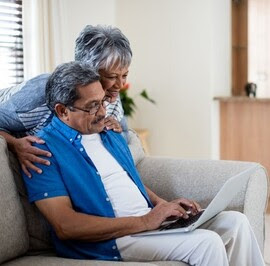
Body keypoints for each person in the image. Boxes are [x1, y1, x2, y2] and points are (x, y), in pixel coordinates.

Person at [22, 61, 265, 266]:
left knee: (236, 222)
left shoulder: (108, 132)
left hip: (148, 223)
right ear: (62, 111)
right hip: (112, 238)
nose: (102, 111)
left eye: (103, 101)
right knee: (207, 243)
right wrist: (146, 221)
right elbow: (66, 226)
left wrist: (163, 205)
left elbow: (129, 180)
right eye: (92, 106)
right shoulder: (42, 150)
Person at [0, 25, 130, 178]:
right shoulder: (40, 94)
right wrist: (15, 144)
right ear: (87, 71)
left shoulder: (109, 94)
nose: (120, 85)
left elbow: (126, 137)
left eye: (125, 75)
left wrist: (116, 130)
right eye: (112, 77)